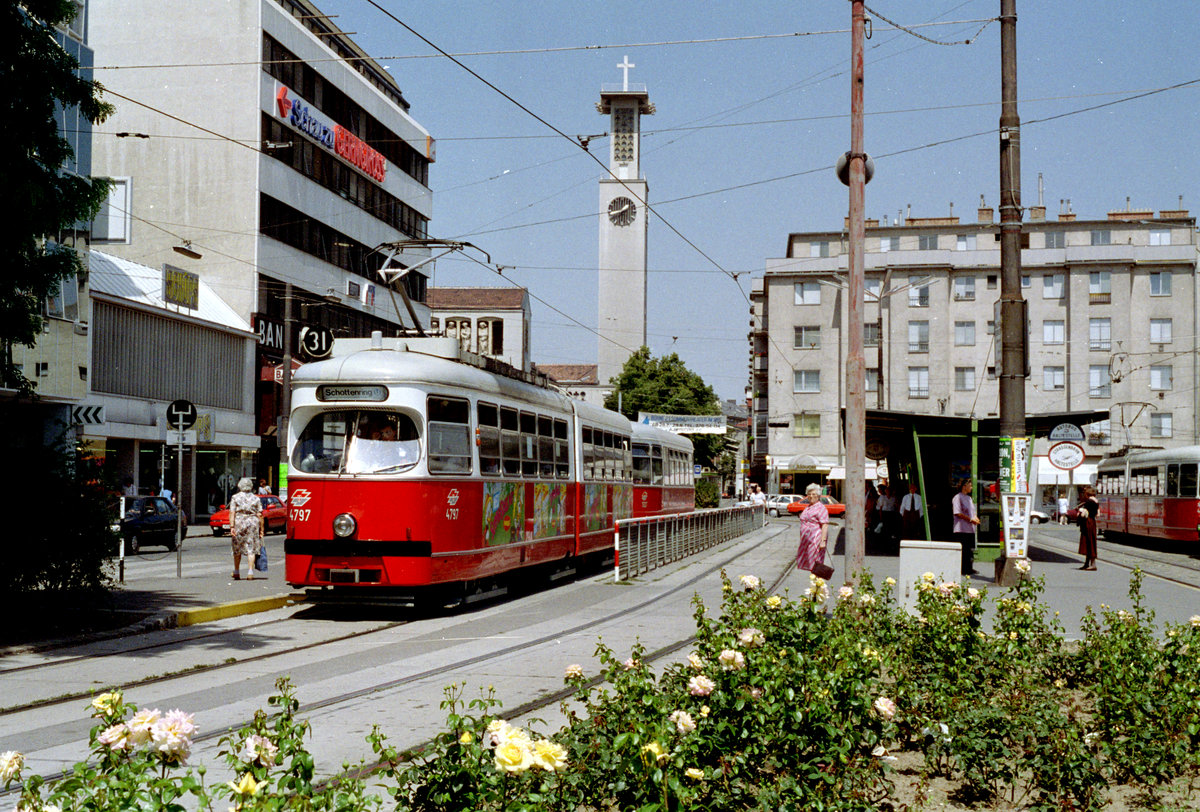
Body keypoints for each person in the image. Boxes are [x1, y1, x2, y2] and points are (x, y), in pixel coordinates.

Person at [229, 476, 265, 581]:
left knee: (237, 547)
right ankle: (250, 572)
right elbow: (260, 515)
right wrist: (261, 529)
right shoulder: (256, 498)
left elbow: (232, 512)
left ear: (240, 486)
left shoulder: (235, 498)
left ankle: (236, 571)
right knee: (251, 548)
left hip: (239, 522)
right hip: (253, 522)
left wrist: (232, 526)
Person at [795, 483, 830, 572]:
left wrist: (823, 541)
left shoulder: (821, 508)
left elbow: (825, 525)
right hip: (806, 539)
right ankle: (814, 583)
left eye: (814, 494)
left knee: (815, 562)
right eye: (809, 494)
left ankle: (817, 583)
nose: (811, 496)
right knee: (810, 562)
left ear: (818, 496)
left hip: (815, 539)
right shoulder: (808, 507)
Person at [952, 479, 980, 576]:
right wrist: (970, 519)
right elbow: (958, 513)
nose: (971, 488)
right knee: (963, 550)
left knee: (969, 550)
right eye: (970, 486)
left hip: (970, 529)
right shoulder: (957, 498)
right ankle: (962, 569)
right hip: (961, 529)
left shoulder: (969, 498)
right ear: (964, 486)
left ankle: (969, 568)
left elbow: (973, 512)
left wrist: (975, 518)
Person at [1076, 485, 1099, 571]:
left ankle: (1092, 564)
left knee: (1089, 542)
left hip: (1088, 523)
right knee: (1091, 542)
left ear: (1087, 494)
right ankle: (1087, 563)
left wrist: (1079, 514)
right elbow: (1097, 514)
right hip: (1092, 522)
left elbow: (1083, 514)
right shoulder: (1096, 502)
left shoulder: (1089, 502)